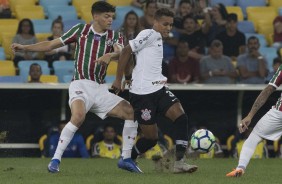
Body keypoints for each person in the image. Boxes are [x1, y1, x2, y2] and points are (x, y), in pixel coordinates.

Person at [12, 1, 139, 173]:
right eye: (107, 16)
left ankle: (125, 158)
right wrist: (24, 48)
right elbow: (50, 45)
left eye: (112, 17)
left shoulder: (115, 37)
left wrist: (113, 54)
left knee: (130, 112)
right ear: (95, 16)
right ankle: (55, 160)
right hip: (80, 84)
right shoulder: (81, 30)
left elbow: (123, 54)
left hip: (100, 89)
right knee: (78, 117)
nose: (110, 20)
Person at [112, 8, 198, 174]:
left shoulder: (157, 37)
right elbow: (125, 51)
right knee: (151, 139)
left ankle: (179, 163)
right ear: (155, 22)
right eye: (165, 24)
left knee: (181, 118)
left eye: (171, 25)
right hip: (143, 94)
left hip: (158, 88)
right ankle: (127, 158)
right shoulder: (148, 34)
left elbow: (135, 57)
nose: (168, 28)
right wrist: (118, 79)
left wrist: (129, 75)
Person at [226, 63, 282, 177]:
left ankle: (240, 168)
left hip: (279, 112)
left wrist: (250, 115)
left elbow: (269, 89)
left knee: (255, 136)